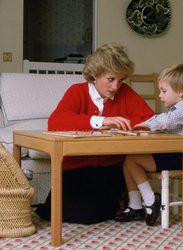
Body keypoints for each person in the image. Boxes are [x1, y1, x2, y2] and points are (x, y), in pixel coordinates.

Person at [35, 43, 155, 224]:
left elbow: (150, 119)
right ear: (95, 74)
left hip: (109, 169)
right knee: (65, 211)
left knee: (93, 215)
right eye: (110, 79)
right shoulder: (77, 91)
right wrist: (100, 121)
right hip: (75, 167)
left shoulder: (126, 93)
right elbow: (55, 121)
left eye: (120, 80)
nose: (116, 86)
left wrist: (124, 122)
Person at [115, 64, 183, 226]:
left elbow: (165, 121)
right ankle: (135, 206)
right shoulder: (177, 109)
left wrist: (146, 125)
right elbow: (160, 119)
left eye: (164, 91)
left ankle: (151, 200)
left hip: (181, 156)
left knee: (133, 159)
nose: (160, 95)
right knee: (127, 161)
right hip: (174, 154)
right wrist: (142, 124)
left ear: (180, 91)